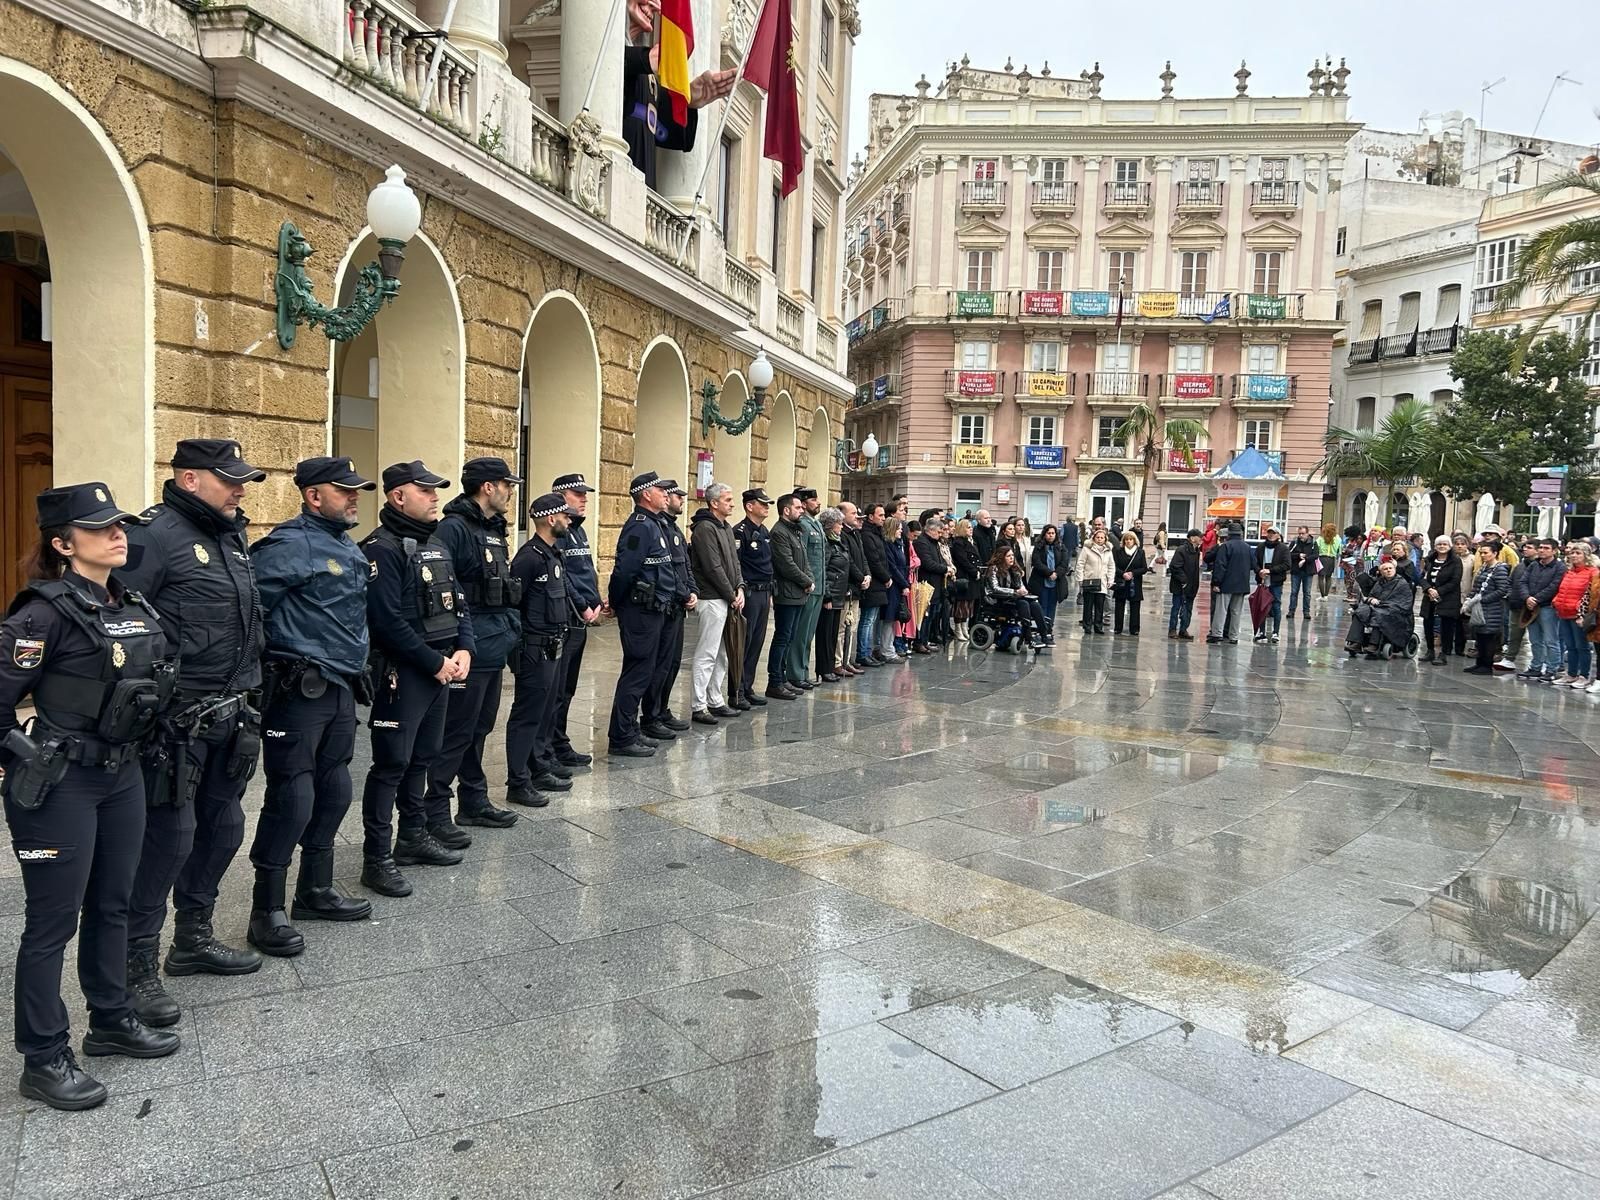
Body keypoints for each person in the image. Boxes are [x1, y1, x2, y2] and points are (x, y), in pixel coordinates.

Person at [0, 484, 181, 1110]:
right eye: (100, 527)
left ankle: (111, 1019)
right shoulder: (41, 614)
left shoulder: (130, 603)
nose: (116, 534)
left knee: (113, 904)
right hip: (62, 784)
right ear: (62, 543)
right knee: (52, 922)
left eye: (118, 525)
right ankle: (43, 1057)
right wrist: (28, 759)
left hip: (121, 775)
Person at [117, 440, 266, 1005]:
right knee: (168, 840)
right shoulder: (152, 536)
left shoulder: (232, 536)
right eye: (229, 479)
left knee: (223, 828)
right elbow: (123, 630)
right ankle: (135, 966)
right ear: (189, 479)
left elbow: (248, 623)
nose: (240, 489)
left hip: (232, 715)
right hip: (175, 725)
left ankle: (193, 938)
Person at [245, 458, 377, 963]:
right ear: (313, 496)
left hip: (340, 685)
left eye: (356, 489)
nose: (354, 496)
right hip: (298, 689)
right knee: (292, 797)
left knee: (335, 788)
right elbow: (249, 612)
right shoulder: (287, 545)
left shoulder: (346, 544)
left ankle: (315, 890)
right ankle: (266, 909)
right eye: (344, 490)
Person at [358, 461, 475, 897]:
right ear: (398, 496)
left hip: (439, 668)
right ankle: (376, 858)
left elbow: (458, 602)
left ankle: (412, 836)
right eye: (425, 490)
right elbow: (385, 622)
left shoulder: (435, 543)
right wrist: (434, 662)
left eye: (435, 490)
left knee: (423, 757)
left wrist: (464, 647)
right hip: (404, 672)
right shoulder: (381, 549)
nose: (434, 497)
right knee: (391, 764)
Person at [424, 457, 523, 842]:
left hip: (492, 643)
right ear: (488, 487)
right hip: (468, 648)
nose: (510, 492)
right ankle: (435, 813)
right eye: (507, 485)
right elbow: (441, 588)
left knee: (479, 728)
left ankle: (473, 800)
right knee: (456, 733)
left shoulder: (493, 528)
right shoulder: (454, 529)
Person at [504, 493, 575, 802]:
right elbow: (513, 605)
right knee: (527, 715)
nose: (569, 520)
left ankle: (540, 766)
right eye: (565, 516)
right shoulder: (529, 557)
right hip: (533, 648)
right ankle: (518, 781)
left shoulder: (552, 554)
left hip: (553, 645)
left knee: (546, 711)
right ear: (551, 518)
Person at [621, 0, 735, 190]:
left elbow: (663, 132)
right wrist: (643, 59)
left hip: (637, 197)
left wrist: (688, 101)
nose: (657, 6)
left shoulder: (647, 78)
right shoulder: (600, 51)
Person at [607, 472, 678, 752]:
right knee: (637, 672)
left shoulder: (655, 523)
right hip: (640, 611)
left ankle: (630, 729)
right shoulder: (640, 526)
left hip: (654, 609)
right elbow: (625, 571)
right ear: (646, 494)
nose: (666, 494)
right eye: (660, 490)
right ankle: (621, 736)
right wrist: (616, 602)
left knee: (645, 672)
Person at [549, 473, 602, 766]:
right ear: (561, 496)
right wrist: (582, 605)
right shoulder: (558, 531)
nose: (584, 499)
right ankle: (551, 746)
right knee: (557, 688)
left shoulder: (578, 531)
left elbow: (586, 570)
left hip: (581, 618)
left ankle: (560, 741)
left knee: (568, 687)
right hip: (567, 617)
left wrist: (597, 600)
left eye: (585, 494)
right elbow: (564, 576)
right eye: (578, 494)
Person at [640, 481, 696, 739]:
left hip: (679, 603)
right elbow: (668, 569)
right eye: (675, 495)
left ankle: (662, 709)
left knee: (672, 663)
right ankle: (651, 715)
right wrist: (683, 593)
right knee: (659, 664)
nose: (679, 499)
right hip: (667, 602)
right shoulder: (657, 526)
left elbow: (685, 565)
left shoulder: (673, 528)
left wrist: (692, 590)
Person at [687, 482, 745, 723]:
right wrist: (731, 595)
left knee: (723, 653)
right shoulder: (704, 529)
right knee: (707, 653)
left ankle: (715, 699)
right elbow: (712, 567)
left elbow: (735, 562)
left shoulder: (726, 527)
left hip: (728, 597)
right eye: (728, 500)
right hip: (711, 598)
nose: (732, 504)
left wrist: (740, 587)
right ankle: (698, 705)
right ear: (714, 503)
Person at [767, 493, 812, 696]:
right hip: (786, 593)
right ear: (786, 510)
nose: (802, 510)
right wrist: (806, 581)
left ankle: (783, 678)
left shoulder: (795, 531)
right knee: (782, 637)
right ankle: (775, 681)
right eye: (798, 507)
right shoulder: (779, 532)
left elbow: (804, 560)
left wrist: (809, 579)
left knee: (790, 637)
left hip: (799, 593)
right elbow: (786, 564)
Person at [734, 488, 774, 706]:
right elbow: (737, 564)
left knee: (757, 642)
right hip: (749, 592)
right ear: (750, 506)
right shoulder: (740, 532)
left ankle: (748, 686)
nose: (767, 507)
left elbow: (768, 564)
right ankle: (737, 690)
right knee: (745, 642)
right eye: (763, 503)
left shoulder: (764, 531)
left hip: (764, 591)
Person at [785, 487, 826, 688]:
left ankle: (803, 671)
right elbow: (802, 558)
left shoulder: (815, 524)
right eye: (813, 500)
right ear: (804, 503)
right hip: (808, 586)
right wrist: (806, 581)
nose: (818, 503)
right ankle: (795, 673)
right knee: (801, 634)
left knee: (808, 634)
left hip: (819, 585)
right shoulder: (802, 524)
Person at [1511, 538, 1566, 683]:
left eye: (1546, 548)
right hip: (1530, 606)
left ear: (1554, 551)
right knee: (1535, 640)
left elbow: (1555, 586)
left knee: (1550, 640)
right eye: (1540, 547)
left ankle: (1552, 669)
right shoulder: (1534, 565)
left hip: (1548, 607)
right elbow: (1522, 581)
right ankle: (1536, 667)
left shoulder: (1560, 567)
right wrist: (1527, 597)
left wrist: (1536, 599)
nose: (1542, 550)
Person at [1346, 558, 1415, 659]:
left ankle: (1374, 644)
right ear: (1381, 572)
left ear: (1395, 569)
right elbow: (1371, 595)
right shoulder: (1380, 582)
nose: (1388, 570)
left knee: (1379, 613)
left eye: (1390, 568)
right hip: (1380, 606)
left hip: (1396, 610)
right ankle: (1355, 642)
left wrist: (1382, 603)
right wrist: (1371, 599)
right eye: (1385, 569)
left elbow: (1404, 602)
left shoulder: (1402, 583)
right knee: (1360, 612)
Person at [1552, 542, 1596, 688]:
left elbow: (1591, 595)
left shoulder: (1592, 572)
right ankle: (1571, 673)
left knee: (1582, 646)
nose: (1574, 556)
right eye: (1573, 553)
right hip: (1564, 612)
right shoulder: (1569, 572)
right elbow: (1562, 589)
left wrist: (1582, 613)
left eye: (1578, 553)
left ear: (1586, 556)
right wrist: (1556, 601)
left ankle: (1584, 675)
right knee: (1570, 646)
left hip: (1579, 615)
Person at [983, 547, 1046, 649]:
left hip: (1013, 599)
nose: (1011, 558)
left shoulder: (1014, 569)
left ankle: (1044, 635)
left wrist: (1023, 590)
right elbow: (994, 589)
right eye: (1008, 556)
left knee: (1034, 604)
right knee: (1024, 604)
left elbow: (1020, 585)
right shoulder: (993, 569)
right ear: (1001, 557)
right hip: (998, 601)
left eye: (1012, 555)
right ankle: (1028, 637)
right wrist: (1014, 592)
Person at [1463, 544, 1511, 674]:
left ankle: (1487, 665)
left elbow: (1502, 590)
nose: (1483, 555)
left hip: (1492, 608)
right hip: (1480, 608)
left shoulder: (1500, 569)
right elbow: (1476, 587)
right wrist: (1469, 599)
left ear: (1495, 553)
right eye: (1481, 553)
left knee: (1488, 636)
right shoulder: (1484, 568)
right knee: (1480, 636)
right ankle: (1480, 663)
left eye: (1486, 553)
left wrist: (1483, 599)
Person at [857, 503, 893, 668]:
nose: (884, 518)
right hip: (873, 583)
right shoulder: (867, 535)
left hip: (878, 584)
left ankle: (869, 651)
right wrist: (886, 577)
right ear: (871, 517)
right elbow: (874, 560)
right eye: (881, 515)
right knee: (867, 620)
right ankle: (863, 653)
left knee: (872, 620)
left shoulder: (876, 534)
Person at [817, 508, 851, 681]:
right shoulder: (827, 543)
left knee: (833, 633)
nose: (842, 527)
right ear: (831, 525)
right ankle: (824, 669)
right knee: (825, 634)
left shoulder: (838, 542)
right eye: (839, 523)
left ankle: (830, 667)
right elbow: (823, 570)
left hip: (839, 593)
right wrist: (827, 595)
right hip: (831, 594)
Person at [1206, 523, 1254, 645]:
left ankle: (1217, 634)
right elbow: (1253, 564)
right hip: (1242, 584)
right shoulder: (1247, 547)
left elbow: (1220, 565)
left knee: (1221, 610)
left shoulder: (1226, 546)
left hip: (1226, 584)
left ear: (1229, 534)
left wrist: (1216, 582)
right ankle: (1234, 636)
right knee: (1236, 611)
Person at [1419, 536, 1463, 667]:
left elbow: (1455, 580)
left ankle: (1444, 653)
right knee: (1428, 623)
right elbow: (1421, 577)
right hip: (1429, 596)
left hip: (1448, 597)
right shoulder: (1429, 560)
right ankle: (1430, 650)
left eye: (1445, 544)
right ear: (1435, 546)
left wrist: (1438, 591)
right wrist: (1428, 589)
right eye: (1439, 544)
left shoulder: (1455, 561)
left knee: (1447, 626)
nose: (1442, 546)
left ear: (1449, 546)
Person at [836, 501, 869, 673]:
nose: (856, 516)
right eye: (853, 513)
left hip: (857, 587)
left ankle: (847, 660)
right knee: (842, 627)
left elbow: (862, 558)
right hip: (847, 586)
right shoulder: (842, 534)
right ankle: (838, 662)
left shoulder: (856, 533)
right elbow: (847, 560)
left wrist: (867, 575)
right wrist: (861, 577)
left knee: (852, 626)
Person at [912, 518, 945, 654]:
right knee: (923, 616)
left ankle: (925, 641)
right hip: (925, 584)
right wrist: (945, 569)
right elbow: (927, 563)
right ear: (931, 530)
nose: (940, 534)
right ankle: (919, 642)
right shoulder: (922, 542)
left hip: (935, 585)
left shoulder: (934, 543)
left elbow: (939, 560)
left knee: (930, 616)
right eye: (938, 531)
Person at [1253, 526, 1290, 643]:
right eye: (1269, 532)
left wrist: (1271, 570)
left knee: (1276, 605)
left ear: (1278, 535)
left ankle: (1276, 632)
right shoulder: (1261, 547)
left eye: (1273, 533)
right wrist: (1259, 571)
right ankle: (1261, 632)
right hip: (1262, 581)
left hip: (1276, 581)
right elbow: (1254, 562)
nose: (1270, 535)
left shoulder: (1283, 548)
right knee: (1262, 606)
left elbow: (1287, 565)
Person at [1026, 524, 1064, 636]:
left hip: (1056, 582)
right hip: (1041, 580)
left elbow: (1064, 563)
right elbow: (1036, 562)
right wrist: (1049, 573)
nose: (1051, 535)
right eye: (1048, 533)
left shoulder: (1061, 546)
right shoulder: (1039, 546)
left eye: (1053, 533)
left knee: (1052, 606)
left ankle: (1049, 628)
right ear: (1044, 534)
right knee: (1042, 605)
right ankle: (1042, 628)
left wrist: (1056, 573)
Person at [1112, 530, 1151, 636]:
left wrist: (1133, 573)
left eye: (1130, 539)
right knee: (1119, 605)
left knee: (1135, 606)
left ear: (1134, 541)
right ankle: (1118, 628)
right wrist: (1123, 574)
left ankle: (1134, 628)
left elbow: (1144, 568)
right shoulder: (1118, 551)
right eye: (1126, 539)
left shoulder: (1140, 552)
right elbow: (1114, 566)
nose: (1128, 541)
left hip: (1135, 583)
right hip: (1122, 581)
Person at [1167, 528, 1204, 640]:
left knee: (1188, 608)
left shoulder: (1196, 551)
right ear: (1192, 538)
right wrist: (1183, 580)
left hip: (1192, 585)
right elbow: (1174, 566)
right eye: (1199, 537)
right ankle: (1172, 630)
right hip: (1180, 585)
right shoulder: (1182, 550)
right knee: (1176, 607)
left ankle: (1183, 630)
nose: (1201, 539)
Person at [949, 519, 981, 642]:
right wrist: (974, 571)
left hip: (972, 577)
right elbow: (963, 560)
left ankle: (964, 627)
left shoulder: (971, 542)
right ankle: (958, 628)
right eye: (968, 527)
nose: (971, 529)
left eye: (971, 527)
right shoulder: (958, 543)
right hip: (964, 576)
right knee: (961, 605)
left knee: (968, 605)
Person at [1078, 527, 1114, 636]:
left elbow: (1111, 566)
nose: (1099, 539)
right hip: (1089, 580)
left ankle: (1098, 626)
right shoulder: (1087, 549)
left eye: (1102, 538)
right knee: (1088, 605)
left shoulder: (1108, 551)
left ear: (1105, 539)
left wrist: (1110, 579)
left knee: (1100, 606)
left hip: (1102, 582)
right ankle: (1087, 626)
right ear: (1093, 538)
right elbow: (1080, 564)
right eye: (1098, 537)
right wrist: (1080, 579)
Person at [1285, 525, 1318, 621]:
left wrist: (1305, 559)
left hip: (1308, 571)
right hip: (1296, 571)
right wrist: (1298, 555)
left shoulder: (1313, 543)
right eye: (1299, 533)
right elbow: (1288, 554)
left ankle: (1306, 611)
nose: (1301, 536)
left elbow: (1316, 555)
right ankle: (1291, 611)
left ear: (1307, 533)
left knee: (1307, 593)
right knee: (1294, 592)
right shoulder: (1295, 542)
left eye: (1303, 533)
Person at [1315, 523, 1341, 601]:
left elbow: (1316, 548)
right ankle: (1326, 596)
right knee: (1328, 577)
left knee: (1320, 577)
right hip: (1332, 559)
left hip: (1322, 558)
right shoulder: (1338, 539)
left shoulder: (1320, 538)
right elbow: (1339, 551)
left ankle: (1322, 596)